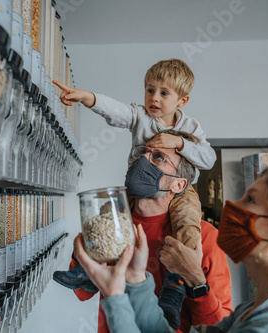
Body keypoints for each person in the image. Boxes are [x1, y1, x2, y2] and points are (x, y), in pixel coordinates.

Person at [76, 166, 268, 333]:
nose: (230, 204)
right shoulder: (258, 308)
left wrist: (115, 297)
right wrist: (135, 279)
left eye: (250, 199)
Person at [53, 59, 217, 328]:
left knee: (187, 226)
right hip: (136, 188)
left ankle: (175, 289)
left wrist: (179, 142)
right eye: (149, 90)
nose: (154, 98)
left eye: (164, 93)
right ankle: (85, 270)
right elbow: (115, 110)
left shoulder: (191, 127)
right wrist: (86, 97)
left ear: (182, 101)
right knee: (108, 218)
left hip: (184, 193)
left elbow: (208, 158)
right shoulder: (140, 116)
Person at [64, 136, 233, 333]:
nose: (143, 159)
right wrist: (83, 251)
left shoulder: (205, 237)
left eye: (158, 157)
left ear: (178, 185)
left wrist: (196, 281)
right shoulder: (112, 224)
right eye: (142, 153)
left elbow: (218, 326)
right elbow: (82, 292)